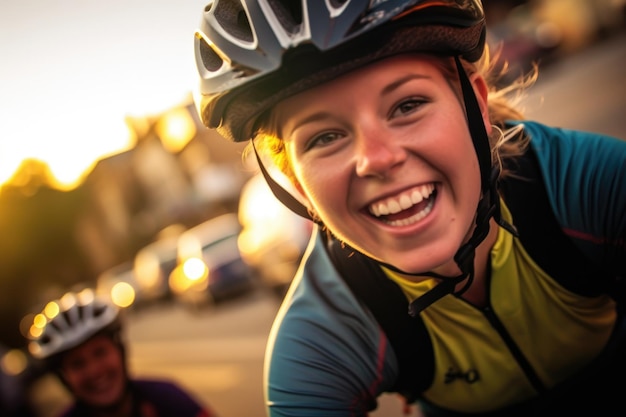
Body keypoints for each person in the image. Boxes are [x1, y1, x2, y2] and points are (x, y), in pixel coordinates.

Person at [192, 1, 626, 415]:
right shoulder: (323, 335)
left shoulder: (582, 184)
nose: (378, 159)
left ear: (474, 104)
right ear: (299, 187)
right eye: (324, 137)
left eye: (407, 105)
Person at [27, 288, 216, 417]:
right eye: (77, 364)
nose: (94, 371)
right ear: (64, 377)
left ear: (120, 351)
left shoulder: (167, 397)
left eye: (100, 353)